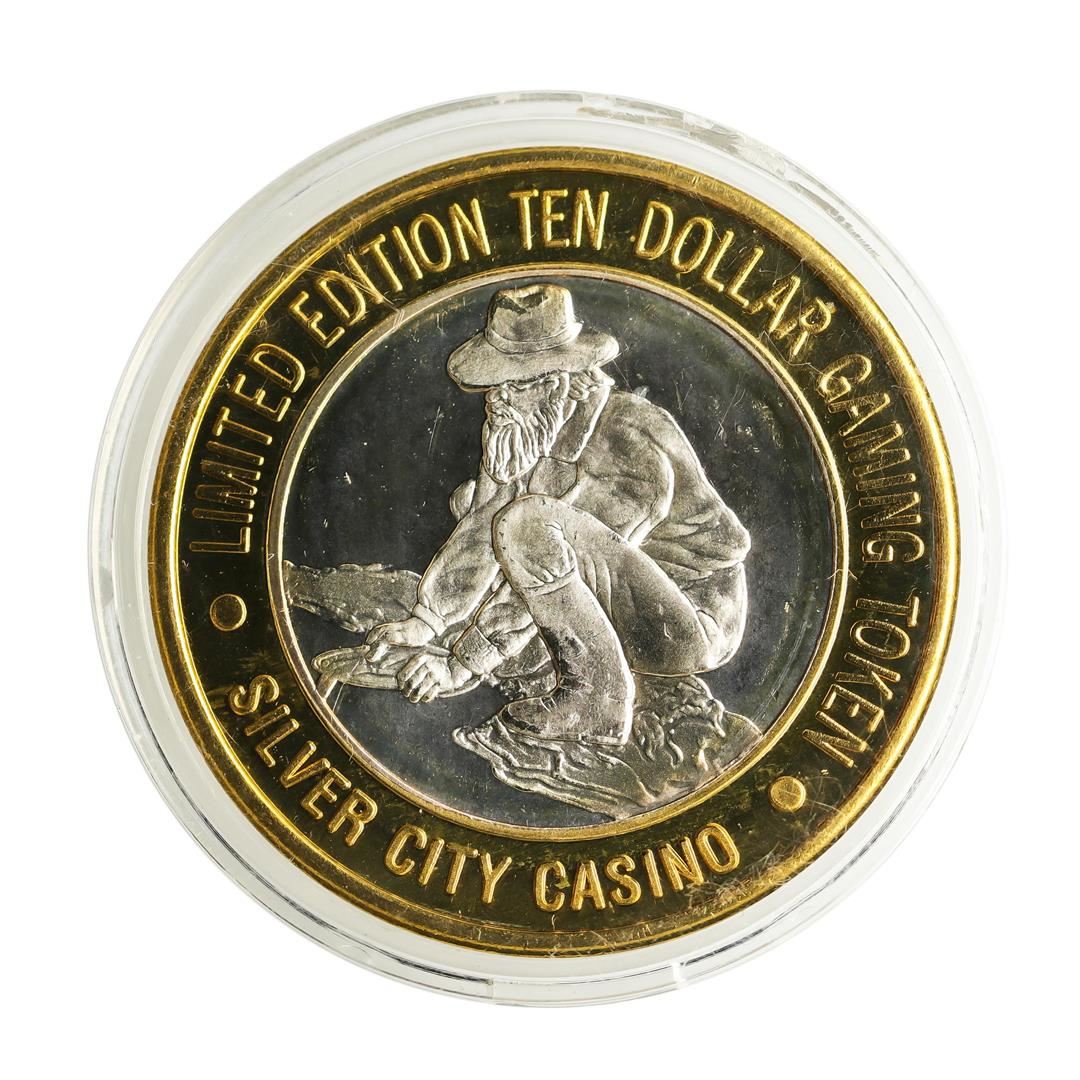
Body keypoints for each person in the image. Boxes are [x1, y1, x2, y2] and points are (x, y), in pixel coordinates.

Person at [363, 283, 750, 746]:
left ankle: (599, 700)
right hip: (617, 600)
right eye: (494, 385)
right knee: (480, 504)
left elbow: (551, 547)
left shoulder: (626, 438)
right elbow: (481, 523)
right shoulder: (528, 429)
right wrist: (427, 620)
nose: (496, 401)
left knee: (525, 524)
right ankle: (539, 657)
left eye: (514, 385)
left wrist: (461, 664)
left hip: (686, 623)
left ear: (557, 383)